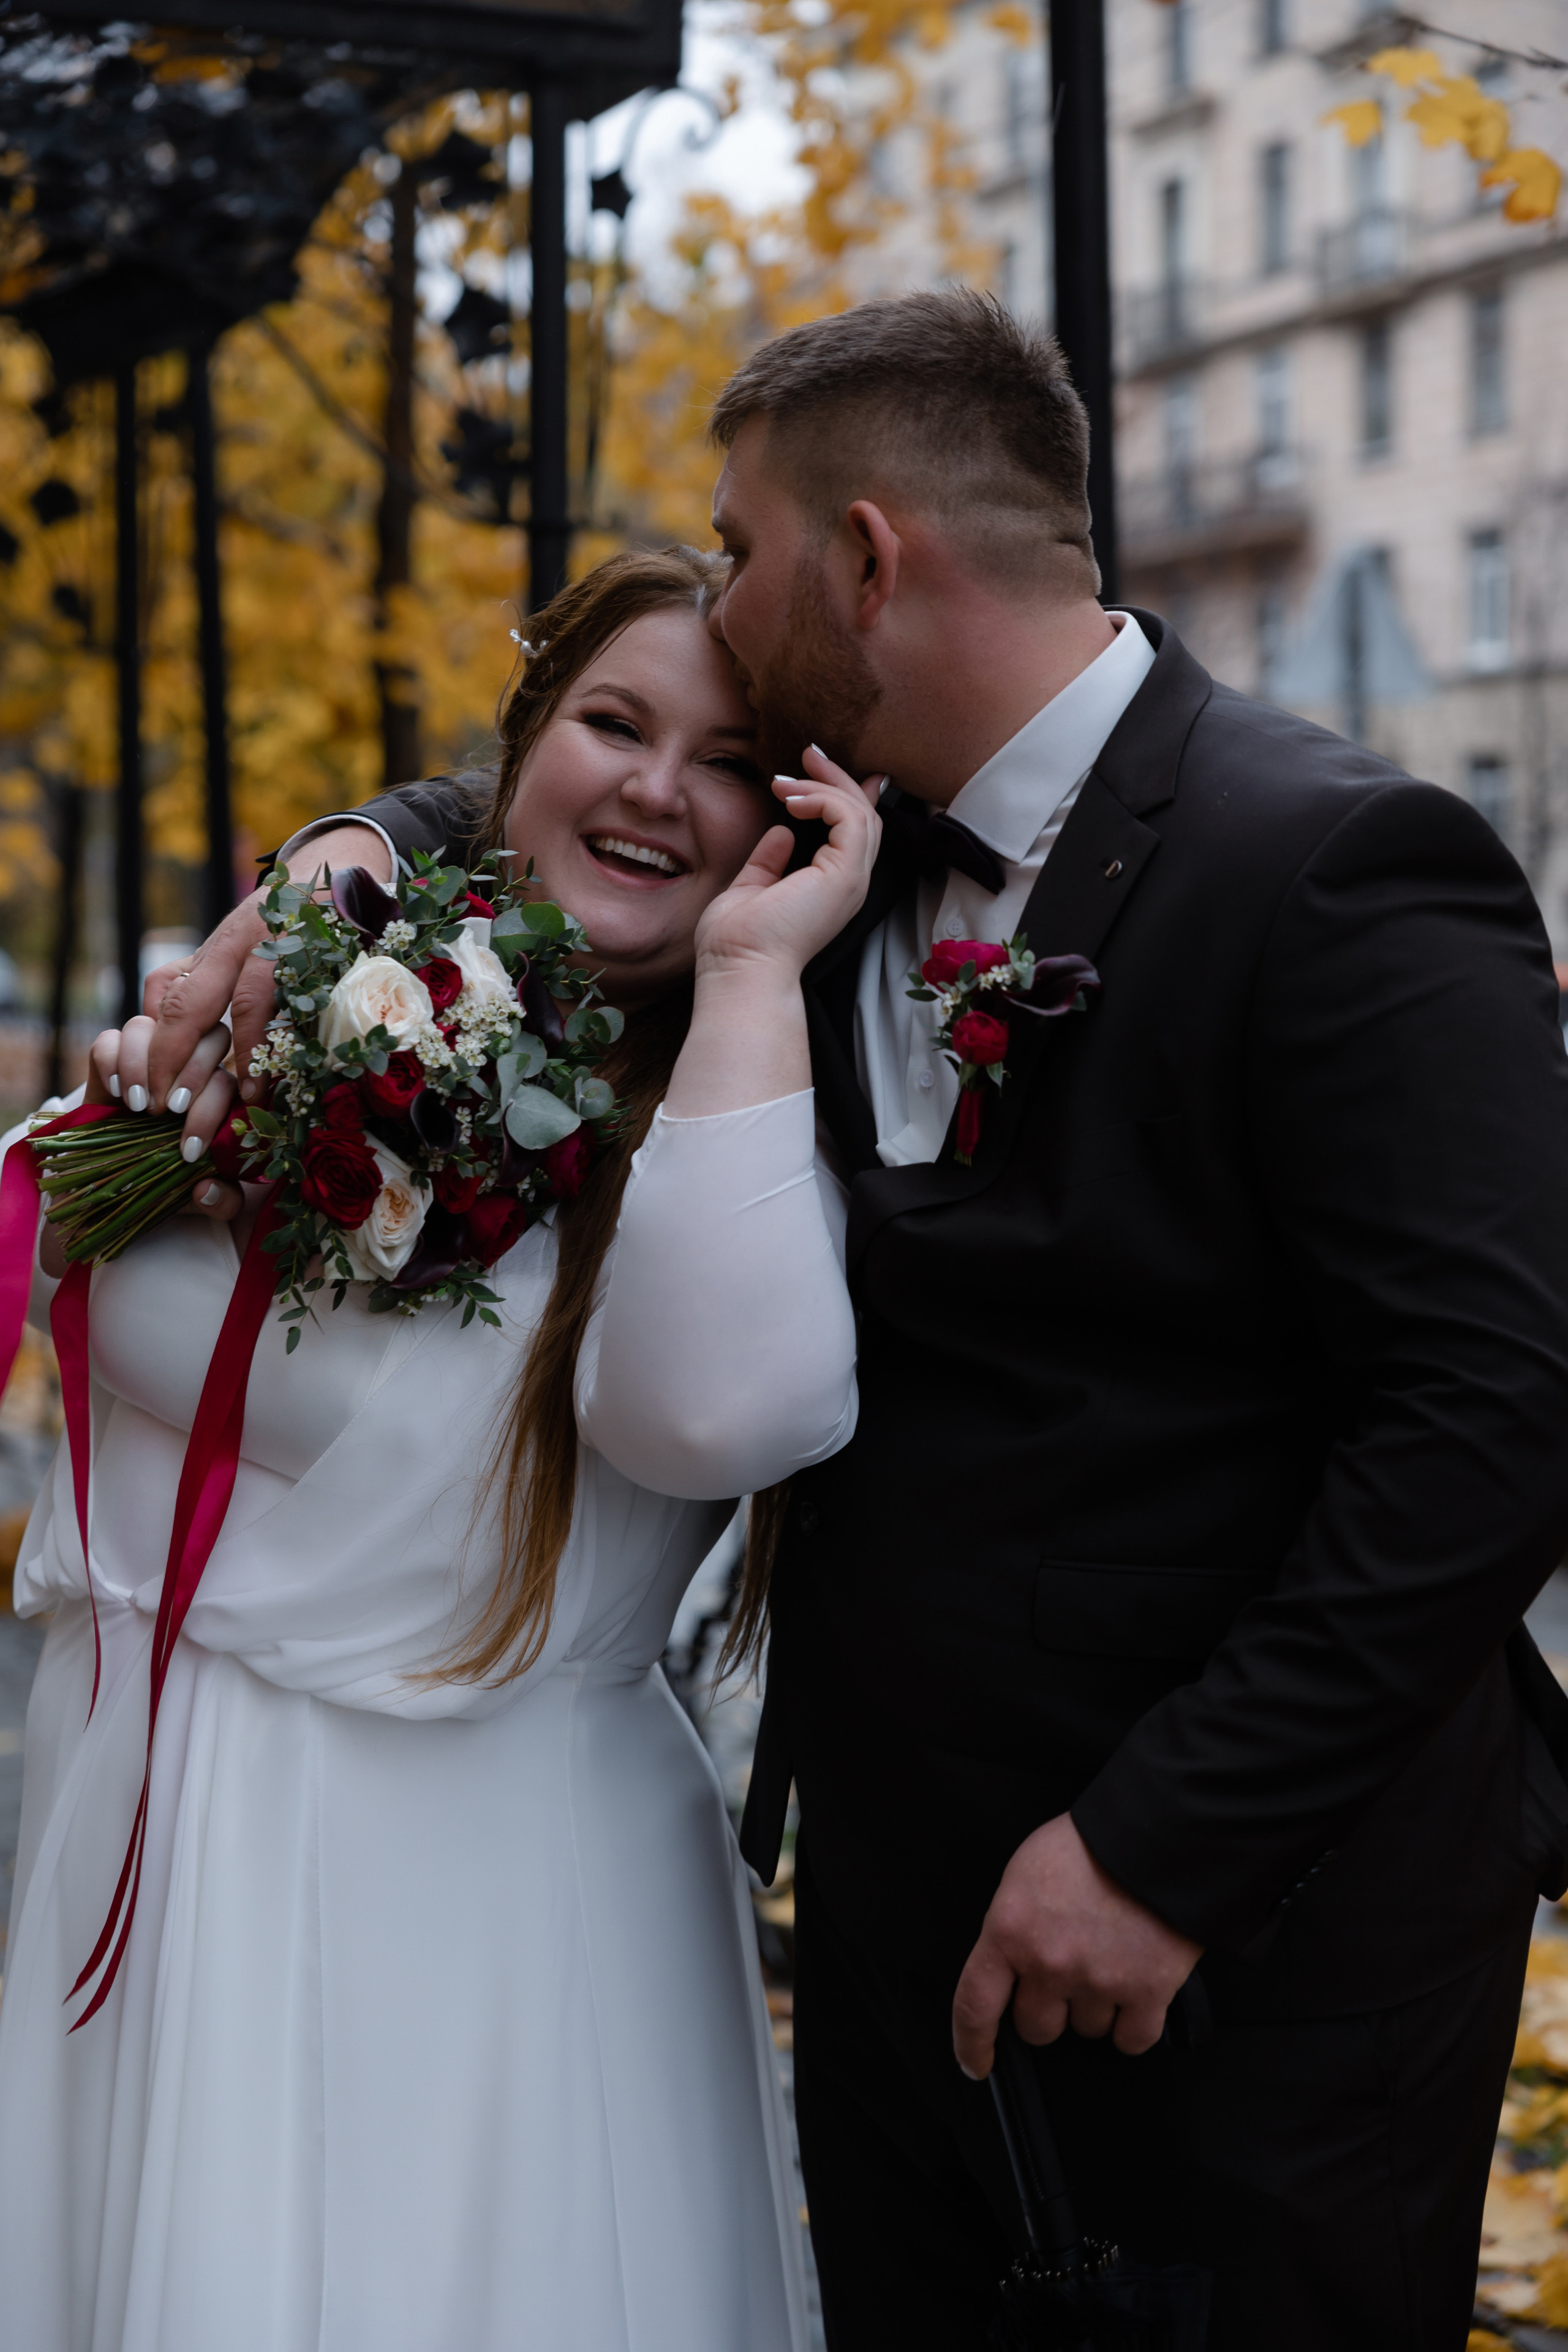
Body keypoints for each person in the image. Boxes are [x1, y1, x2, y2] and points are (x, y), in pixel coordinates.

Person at [145, 291, 1568, 2351]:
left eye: (739, 547)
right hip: (898, 1930)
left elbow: (1496, 1416)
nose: (724, 596)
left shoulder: (1335, 861)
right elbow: (566, 811)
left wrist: (1166, 1852)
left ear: (868, 559)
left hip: (1263, 1948)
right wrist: (350, 850)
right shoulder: (839, 849)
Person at [0, 545, 884, 2352]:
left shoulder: (762, 1111)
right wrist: (179, 1110)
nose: (652, 784)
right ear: (519, 751)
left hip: (503, 1882)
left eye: (722, 762)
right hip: (177, 1820)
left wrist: (745, 977)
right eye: (612, 724)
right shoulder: (327, 991)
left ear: (787, 827)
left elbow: (710, 1410)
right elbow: (70, 1233)